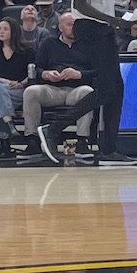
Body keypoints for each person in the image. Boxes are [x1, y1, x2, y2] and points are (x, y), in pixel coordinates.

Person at [70, 0, 137, 165]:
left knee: (115, 89)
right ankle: (54, 126)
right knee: (110, 89)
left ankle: (109, 150)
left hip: (103, 29)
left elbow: (102, 6)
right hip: (89, 29)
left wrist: (127, 16)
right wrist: (113, 20)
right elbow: (80, 4)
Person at [23, 13, 100, 164]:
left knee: (88, 92)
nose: (74, 28)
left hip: (77, 89)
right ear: (60, 27)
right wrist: (46, 74)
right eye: (70, 25)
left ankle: (82, 140)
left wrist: (79, 74)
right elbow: (37, 68)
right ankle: (32, 139)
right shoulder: (48, 43)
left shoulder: (89, 44)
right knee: (30, 92)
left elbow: (98, 71)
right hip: (53, 89)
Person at [0, 17, 29, 156]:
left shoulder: (27, 51)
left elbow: (32, 73)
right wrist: (4, 81)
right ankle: (8, 124)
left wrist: (22, 83)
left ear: (14, 31)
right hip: (0, 90)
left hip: (18, 91)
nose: (1, 32)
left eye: (5, 29)